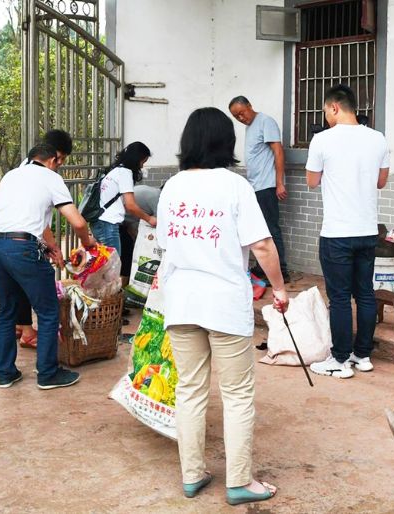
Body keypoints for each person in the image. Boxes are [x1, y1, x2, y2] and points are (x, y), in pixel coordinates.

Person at [156, 107, 288, 506]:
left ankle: (192, 475)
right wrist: (279, 289)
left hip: (181, 302)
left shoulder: (172, 187)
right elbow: (262, 244)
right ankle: (239, 481)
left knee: (190, 390)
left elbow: (166, 246)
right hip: (225, 305)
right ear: (226, 143)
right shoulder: (234, 186)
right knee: (236, 394)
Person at [0, 143, 96, 389]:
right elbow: (78, 223)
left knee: (6, 311)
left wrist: (47, 246)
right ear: (54, 160)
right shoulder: (51, 178)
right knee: (47, 312)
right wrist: (88, 243)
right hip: (23, 249)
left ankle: (5, 373)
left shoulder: (11, 175)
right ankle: (47, 373)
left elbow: (20, 218)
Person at [306, 84, 390, 379]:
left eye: (325, 111)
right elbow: (381, 182)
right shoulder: (378, 138)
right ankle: (362, 355)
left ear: (334, 108)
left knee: (340, 297)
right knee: (365, 293)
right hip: (368, 231)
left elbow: (312, 181)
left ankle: (339, 360)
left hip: (337, 232)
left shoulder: (322, 140)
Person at [16, 129, 74, 350]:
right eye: (60, 159)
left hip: (3, 238)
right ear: (53, 154)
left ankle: (20, 325)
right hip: (24, 240)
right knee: (38, 291)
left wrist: (51, 245)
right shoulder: (44, 174)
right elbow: (45, 221)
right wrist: (53, 246)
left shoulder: (24, 168)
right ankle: (29, 333)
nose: (59, 164)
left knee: (17, 284)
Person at [229, 96, 289, 283]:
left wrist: (279, 183)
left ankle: (282, 272)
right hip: (256, 186)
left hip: (267, 185)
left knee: (271, 228)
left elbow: (278, 151)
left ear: (250, 106)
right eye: (236, 116)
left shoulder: (265, 121)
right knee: (261, 229)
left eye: (241, 112)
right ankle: (264, 268)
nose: (240, 117)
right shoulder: (250, 127)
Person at [89, 142, 157, 256]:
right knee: (112, 267)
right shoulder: (125, 172)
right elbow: (130, 205)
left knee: (103, 267)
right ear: (136, 159)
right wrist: (149, 219)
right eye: (142, 162)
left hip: (100, 222)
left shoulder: (115, 170)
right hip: (108, 225)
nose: (142, 166)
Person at [119, 184, 161, 281]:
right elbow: (156, 225)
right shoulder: (158, 200)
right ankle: (123, 284)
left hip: (123, 219)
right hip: (118, 220)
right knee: (127, 255)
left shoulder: (153, 192)